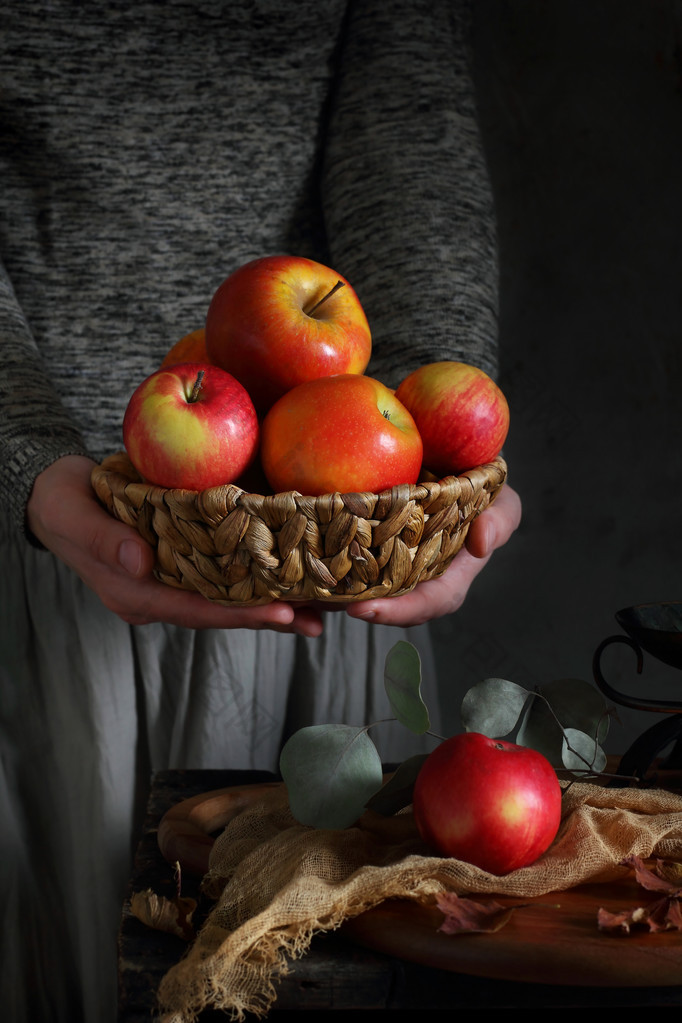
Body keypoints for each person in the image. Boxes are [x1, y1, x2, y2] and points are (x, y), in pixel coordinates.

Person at [0, 2, 521, 1020]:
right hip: (39, 540)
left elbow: (414, 166)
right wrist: (25, 461)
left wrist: (442, 467)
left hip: (314, 552)